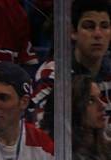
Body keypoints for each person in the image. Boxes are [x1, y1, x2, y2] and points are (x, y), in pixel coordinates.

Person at [32, 0, 111, 131]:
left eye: (105, 26)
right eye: (89, 26)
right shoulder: (53, 75)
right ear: (73, 32)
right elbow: (43, 130)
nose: (98, 34)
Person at [72, 75, 111, 160]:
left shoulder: (107, 149)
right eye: (91, 101)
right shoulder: (64, 156)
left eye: (100, 97)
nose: (103, 105)